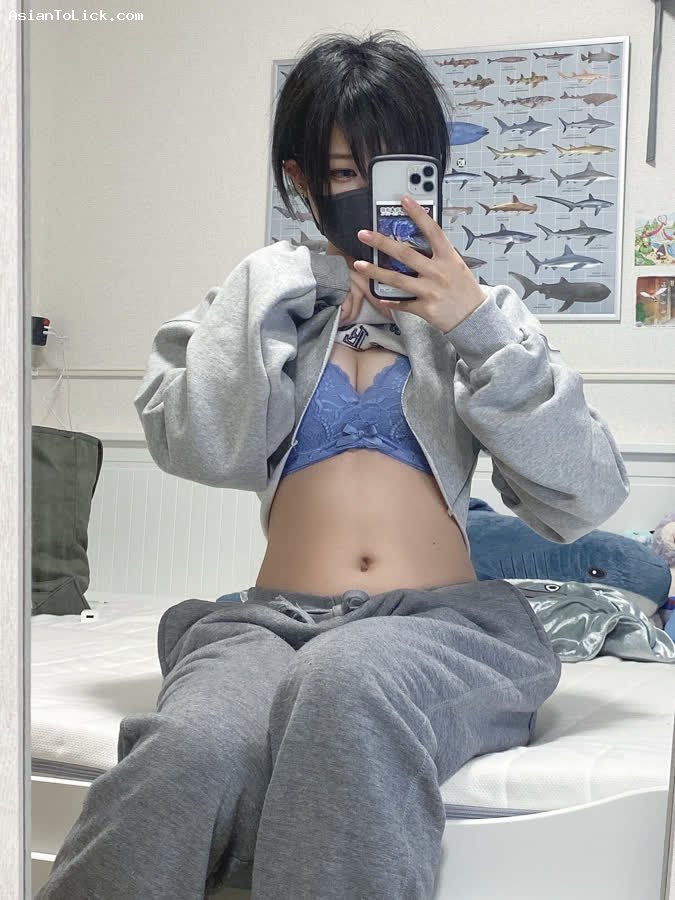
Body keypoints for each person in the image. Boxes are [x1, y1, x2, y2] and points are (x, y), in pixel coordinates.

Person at [37, 29, 630, 900]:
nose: (372, 196)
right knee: (188, 749)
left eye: (397, 171)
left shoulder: (482, 314)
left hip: (438, 626)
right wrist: (266, 295)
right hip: (269, 624)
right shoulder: (260, 301)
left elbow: (585, 495)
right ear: (301, 179)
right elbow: (197, 446)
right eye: (346, 172)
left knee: (346, 680)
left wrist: (474, 328)